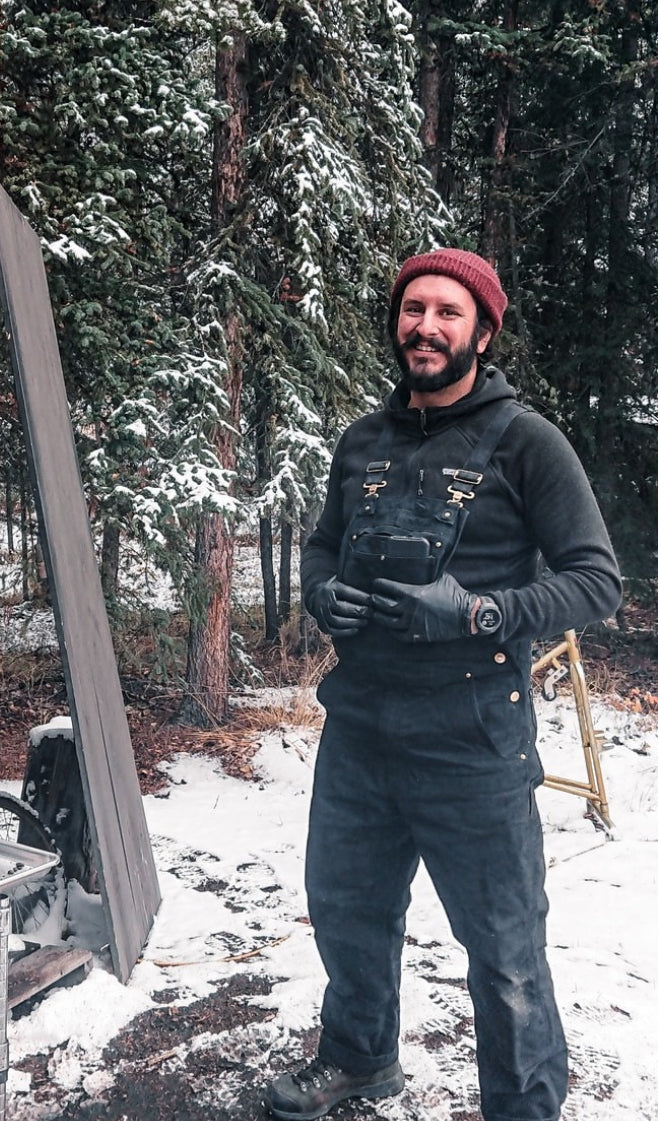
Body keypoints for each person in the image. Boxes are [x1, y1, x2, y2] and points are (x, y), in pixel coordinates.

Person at [263, 248, 622, 1121]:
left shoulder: (528, 442)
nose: (425, 325)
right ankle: (359, 1054)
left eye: (448, 312)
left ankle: (523, 1109)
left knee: (503, 952)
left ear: (483, 332)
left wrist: (479, 612)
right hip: (361, 730)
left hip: (474, 738)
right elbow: (319, 544)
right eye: (413, 308)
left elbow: (596, 580)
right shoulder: (363, 441)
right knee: (347, 912)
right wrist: (320, 591)